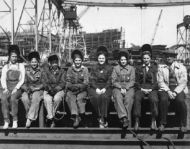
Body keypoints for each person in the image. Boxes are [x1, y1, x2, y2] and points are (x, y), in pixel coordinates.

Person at [157, 58, 188, 135]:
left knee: (180, 100)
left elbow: (183, 82)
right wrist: (168, 91)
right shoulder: (161, 68)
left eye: (171, 56)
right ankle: (163, 123)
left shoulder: (181, 67)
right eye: (167, 56)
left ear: (174, 58)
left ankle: (183, 124)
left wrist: (175, 92)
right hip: (165, 88)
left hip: (178, 88)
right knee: (164, 99)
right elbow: (160, 81)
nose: (169, 58)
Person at [133, 44, 158, 131]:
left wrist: (151, 89)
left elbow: (156, 82)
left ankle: (153, 120)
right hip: (141, 88)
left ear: (150, 58)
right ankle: (137, 120)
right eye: (144, 58)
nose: (146, 60)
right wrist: (141, 89)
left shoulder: (154, 68)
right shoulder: (138, 68)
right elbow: (136, 82)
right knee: (137, 97)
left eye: (147, 58)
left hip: (152, 88)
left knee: (154, 99)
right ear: (142, 59)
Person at [1, 45, 25, 129]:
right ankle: (6, 120)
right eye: (12, 56)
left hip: (17, 87)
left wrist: (16, 88)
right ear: (9, 57)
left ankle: (15, 120)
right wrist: (5, 88)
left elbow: (22, 79)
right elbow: (3, 79)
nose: (14, 58)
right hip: (8, 87)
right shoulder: (5, 67)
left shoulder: (21, 66)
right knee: (3, 98)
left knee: (13, 98)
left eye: (15, 56)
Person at [88, 46, 113, 128]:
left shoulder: (109, 67)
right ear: (97, 59)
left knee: (105, 97)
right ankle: (99, 117)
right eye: (99, 58)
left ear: (105, 58)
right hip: (96, 86)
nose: (101, 60)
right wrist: (96, 88)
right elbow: (91, 80)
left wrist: (105, 88)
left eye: (103, 58)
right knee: (95, 96)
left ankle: (103, 118)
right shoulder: (94, 67)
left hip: (106, 86)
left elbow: (110, 80)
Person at [111, 50, 135, 128]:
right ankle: (124, 118)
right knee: (117, 97)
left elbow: (132, 81)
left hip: (129, 88)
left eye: (124, 60)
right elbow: (113, 81)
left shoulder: (131, 68)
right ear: (119, 60)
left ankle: (128, 124)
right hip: (118, 88)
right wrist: (121, 87)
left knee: (128, 99)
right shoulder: (116, 68)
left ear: (127, 60)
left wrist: (126, 88)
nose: (123, 61)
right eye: (121, 60)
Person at [66, 49, 89, 128]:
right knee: (70, 97)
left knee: (79, 98)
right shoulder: (70, 69)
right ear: (74, 61)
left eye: (79, 60)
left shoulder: (85, 69)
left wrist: (79, 87)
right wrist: (72, 87)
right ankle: (76, 117)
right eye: (76, 60)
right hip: (72, 90)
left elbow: (86, 82)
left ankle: (81, 116)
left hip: (82, 90)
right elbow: (68, 81)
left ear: (81, 61)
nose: (78, 62)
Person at [21, 51, 44, 128]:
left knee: (35, 97)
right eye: (32, 62)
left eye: (35, 62)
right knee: (24, 98)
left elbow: (44, 83)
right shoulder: (26, 71)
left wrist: (37, 88)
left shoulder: (42, 71)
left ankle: (30, 119)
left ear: (37, 62)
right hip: (28, 89)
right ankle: (29, 115)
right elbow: (23, 83)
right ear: (30, 62)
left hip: (38, 90)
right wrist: (27, 89)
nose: (34, 63)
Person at [42, 54, 66, 127]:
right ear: (50, 63)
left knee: (57, 98)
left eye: (56, 62)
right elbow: (44, 82)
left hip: (59, 90)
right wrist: (49, 89)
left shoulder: (62, 71)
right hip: (48, 90)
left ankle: (50, 118)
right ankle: (52, 118)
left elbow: (63, 83)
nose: (54, 64)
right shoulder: (46, 71)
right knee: (47, 99)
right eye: (53, 62)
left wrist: (56, 89)